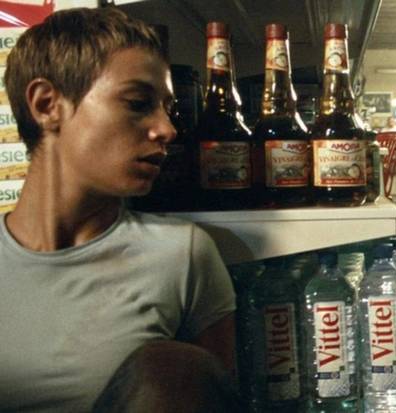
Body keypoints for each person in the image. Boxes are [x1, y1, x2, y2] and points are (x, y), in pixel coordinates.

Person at [0, 7, 237, 412]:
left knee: (171, 369)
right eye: (137, 103)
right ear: (46, 105)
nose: (166, 129)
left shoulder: (181, 255)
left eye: (167, 109)